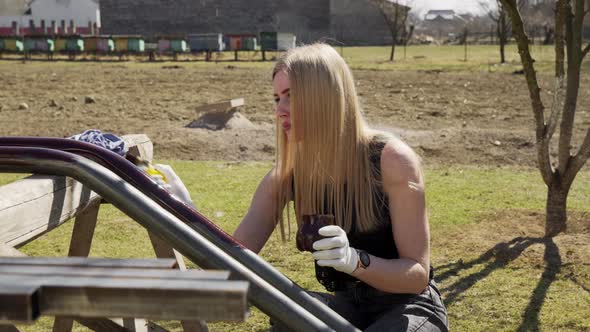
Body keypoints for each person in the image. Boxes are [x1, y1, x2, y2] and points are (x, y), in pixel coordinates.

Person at [156, 43, 448, 331]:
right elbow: (231, 259)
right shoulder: (288, 172)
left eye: (291, 96)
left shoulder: (392, 160)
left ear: (326, 97)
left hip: (408, 307)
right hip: (348, 307)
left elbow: (416, 275)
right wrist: (182, 212)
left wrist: (354, 260)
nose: (279, 111)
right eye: (276, 99)